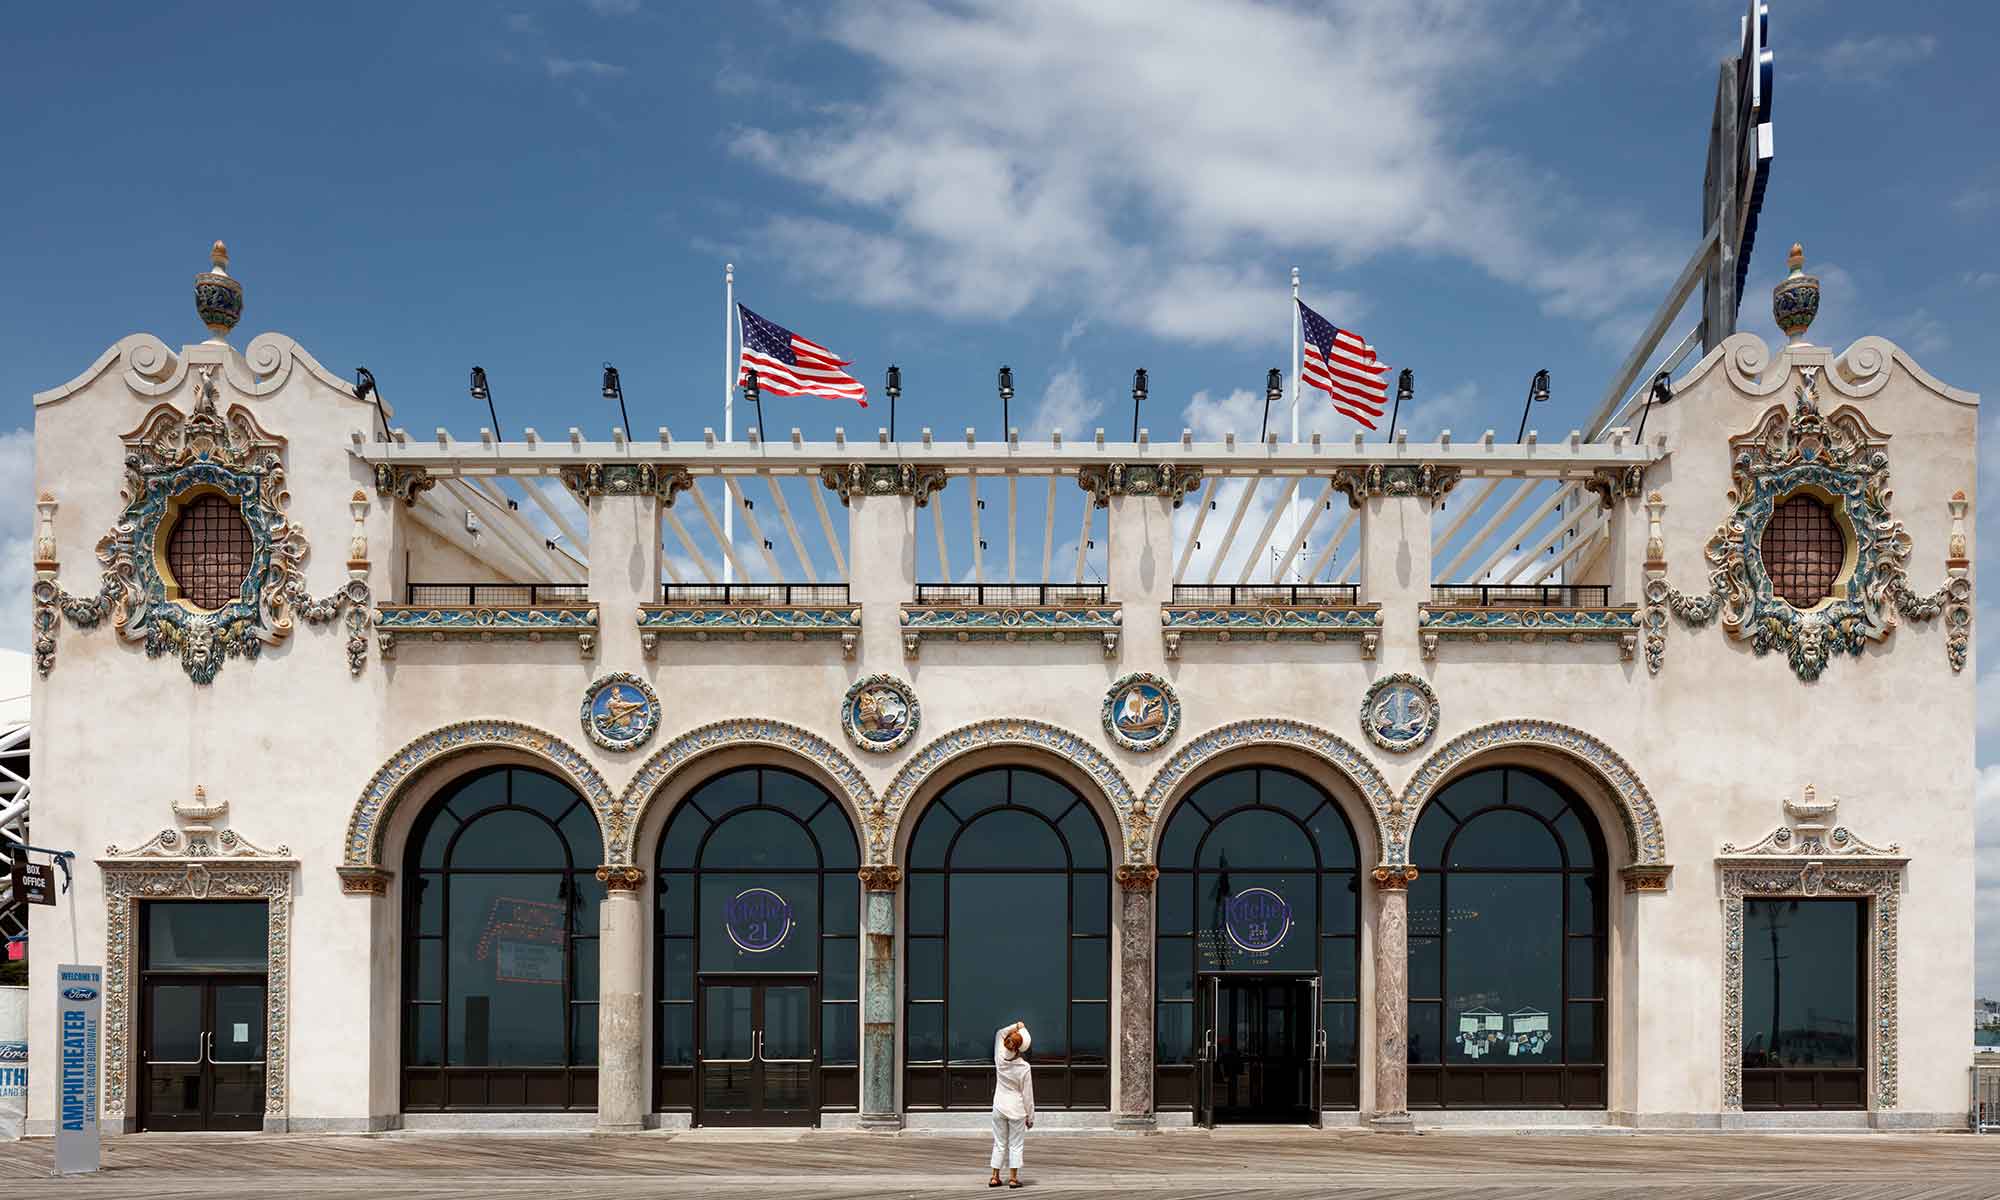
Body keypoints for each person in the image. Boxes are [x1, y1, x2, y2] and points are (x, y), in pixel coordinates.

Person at [988, 1020, 1034, 1189]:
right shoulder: (1024, 1067)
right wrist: (1031, 1117)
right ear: (1019, 1048)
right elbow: (1027, 1096)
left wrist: (1017, 1026)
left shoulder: (999, 1056)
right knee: (1016, 1144)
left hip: (999, 1106)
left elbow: (1000, 1032)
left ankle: (994, 1177)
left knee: (999, 1142)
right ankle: (1013, 1179)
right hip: (1017, 1109)